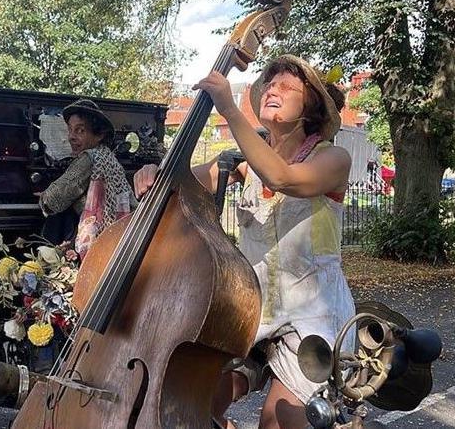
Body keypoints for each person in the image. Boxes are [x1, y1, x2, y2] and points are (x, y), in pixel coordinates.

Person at [134, 55, 354, 428]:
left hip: (313, 317)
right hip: (252, 312)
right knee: (190, 404)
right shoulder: (240, 162)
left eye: (287, 87)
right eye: (270, 84)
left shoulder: (333, 157)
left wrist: (230, 110)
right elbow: (182, 186)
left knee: (277, 422)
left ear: (310, 106)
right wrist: (157, 175)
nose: (273, 90)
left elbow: (282, 177)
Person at [39, 99, 136, 257]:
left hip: (99, 242)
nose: (71, 137)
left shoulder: (90, 157)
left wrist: (43, 197)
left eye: (80, 131)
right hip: (122, 236)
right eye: (70, 130)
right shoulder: (109, 159)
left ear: (98, 135)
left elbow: (53, 200)